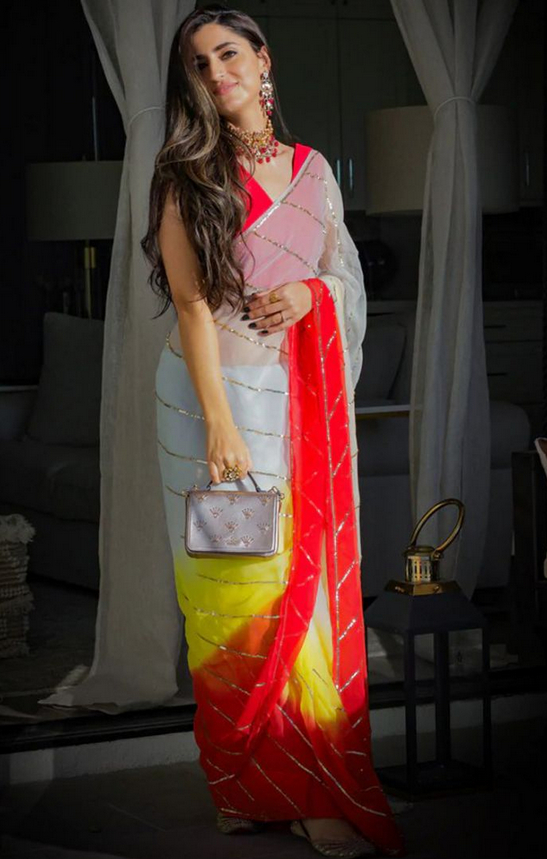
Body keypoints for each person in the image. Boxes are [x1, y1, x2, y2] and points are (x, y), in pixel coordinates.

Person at [141, 4, 405, 857]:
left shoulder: (314, 170)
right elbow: (189, 304)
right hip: (206, 404)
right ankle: (246, 781)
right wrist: (220, 423)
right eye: (198, 63)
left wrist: (309, 295)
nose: (215, 73)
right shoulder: (187, 173)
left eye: (228, 54)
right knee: (231, 596)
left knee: (300, 591)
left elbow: (337, 275)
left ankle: (302, 783)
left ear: (263, 61)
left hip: (291, 399)